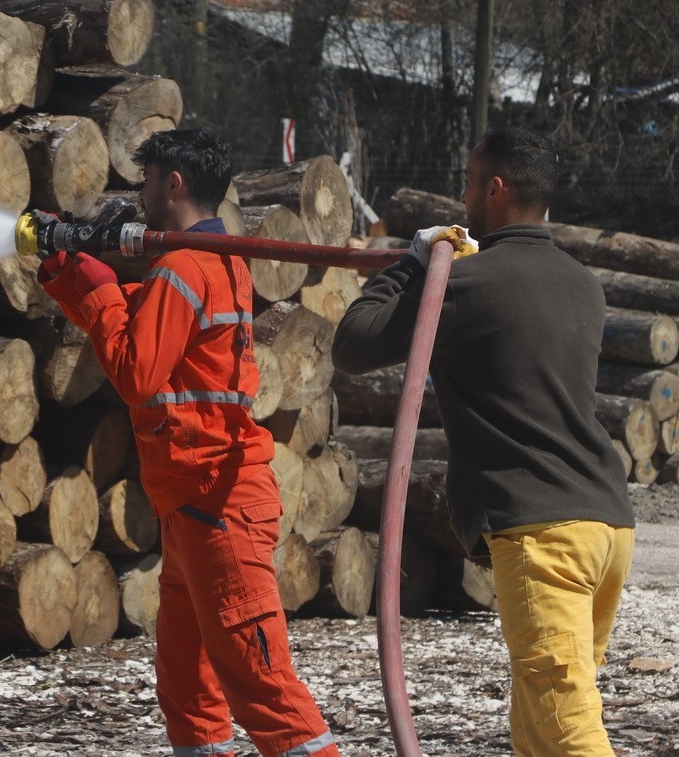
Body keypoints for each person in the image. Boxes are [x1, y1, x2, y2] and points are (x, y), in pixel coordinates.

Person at [332, 126, 635, 756]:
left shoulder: (464, 286)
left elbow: (354, 342)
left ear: (496, 189)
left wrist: (414, 264)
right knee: (540, 717)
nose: (462, 197)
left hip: (539, 530)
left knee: (567, 729)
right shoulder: (584, 284)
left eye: (469, 184)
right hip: (606, 527)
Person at [38, 129, 339, 757]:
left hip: (216, 501)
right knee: (188, 685)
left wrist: (91, 292)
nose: (140, 195)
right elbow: (155, 333)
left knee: (260, 685)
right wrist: (76, 276)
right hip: (195, 500)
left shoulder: (180, 266)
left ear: (172, 183)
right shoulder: (217, 260)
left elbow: (138, 373)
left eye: (146, 182)